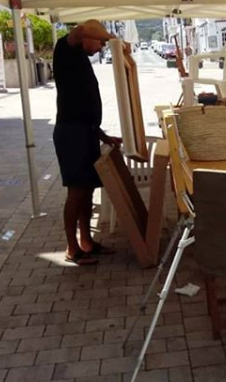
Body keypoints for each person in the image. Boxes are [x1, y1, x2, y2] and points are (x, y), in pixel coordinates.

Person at [53, 19, 125, 265]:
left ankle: (87, 241)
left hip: (85, 132)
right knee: (76, 191)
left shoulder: (81, 58)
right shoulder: (65, 49)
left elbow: (84, 108)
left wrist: (105, 137)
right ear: (87, 37)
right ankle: (72, 248)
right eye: (100, 42)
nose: (102, 47)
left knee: (88, 191)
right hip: (71, 134)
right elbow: (85, 27)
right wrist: (113, 38)